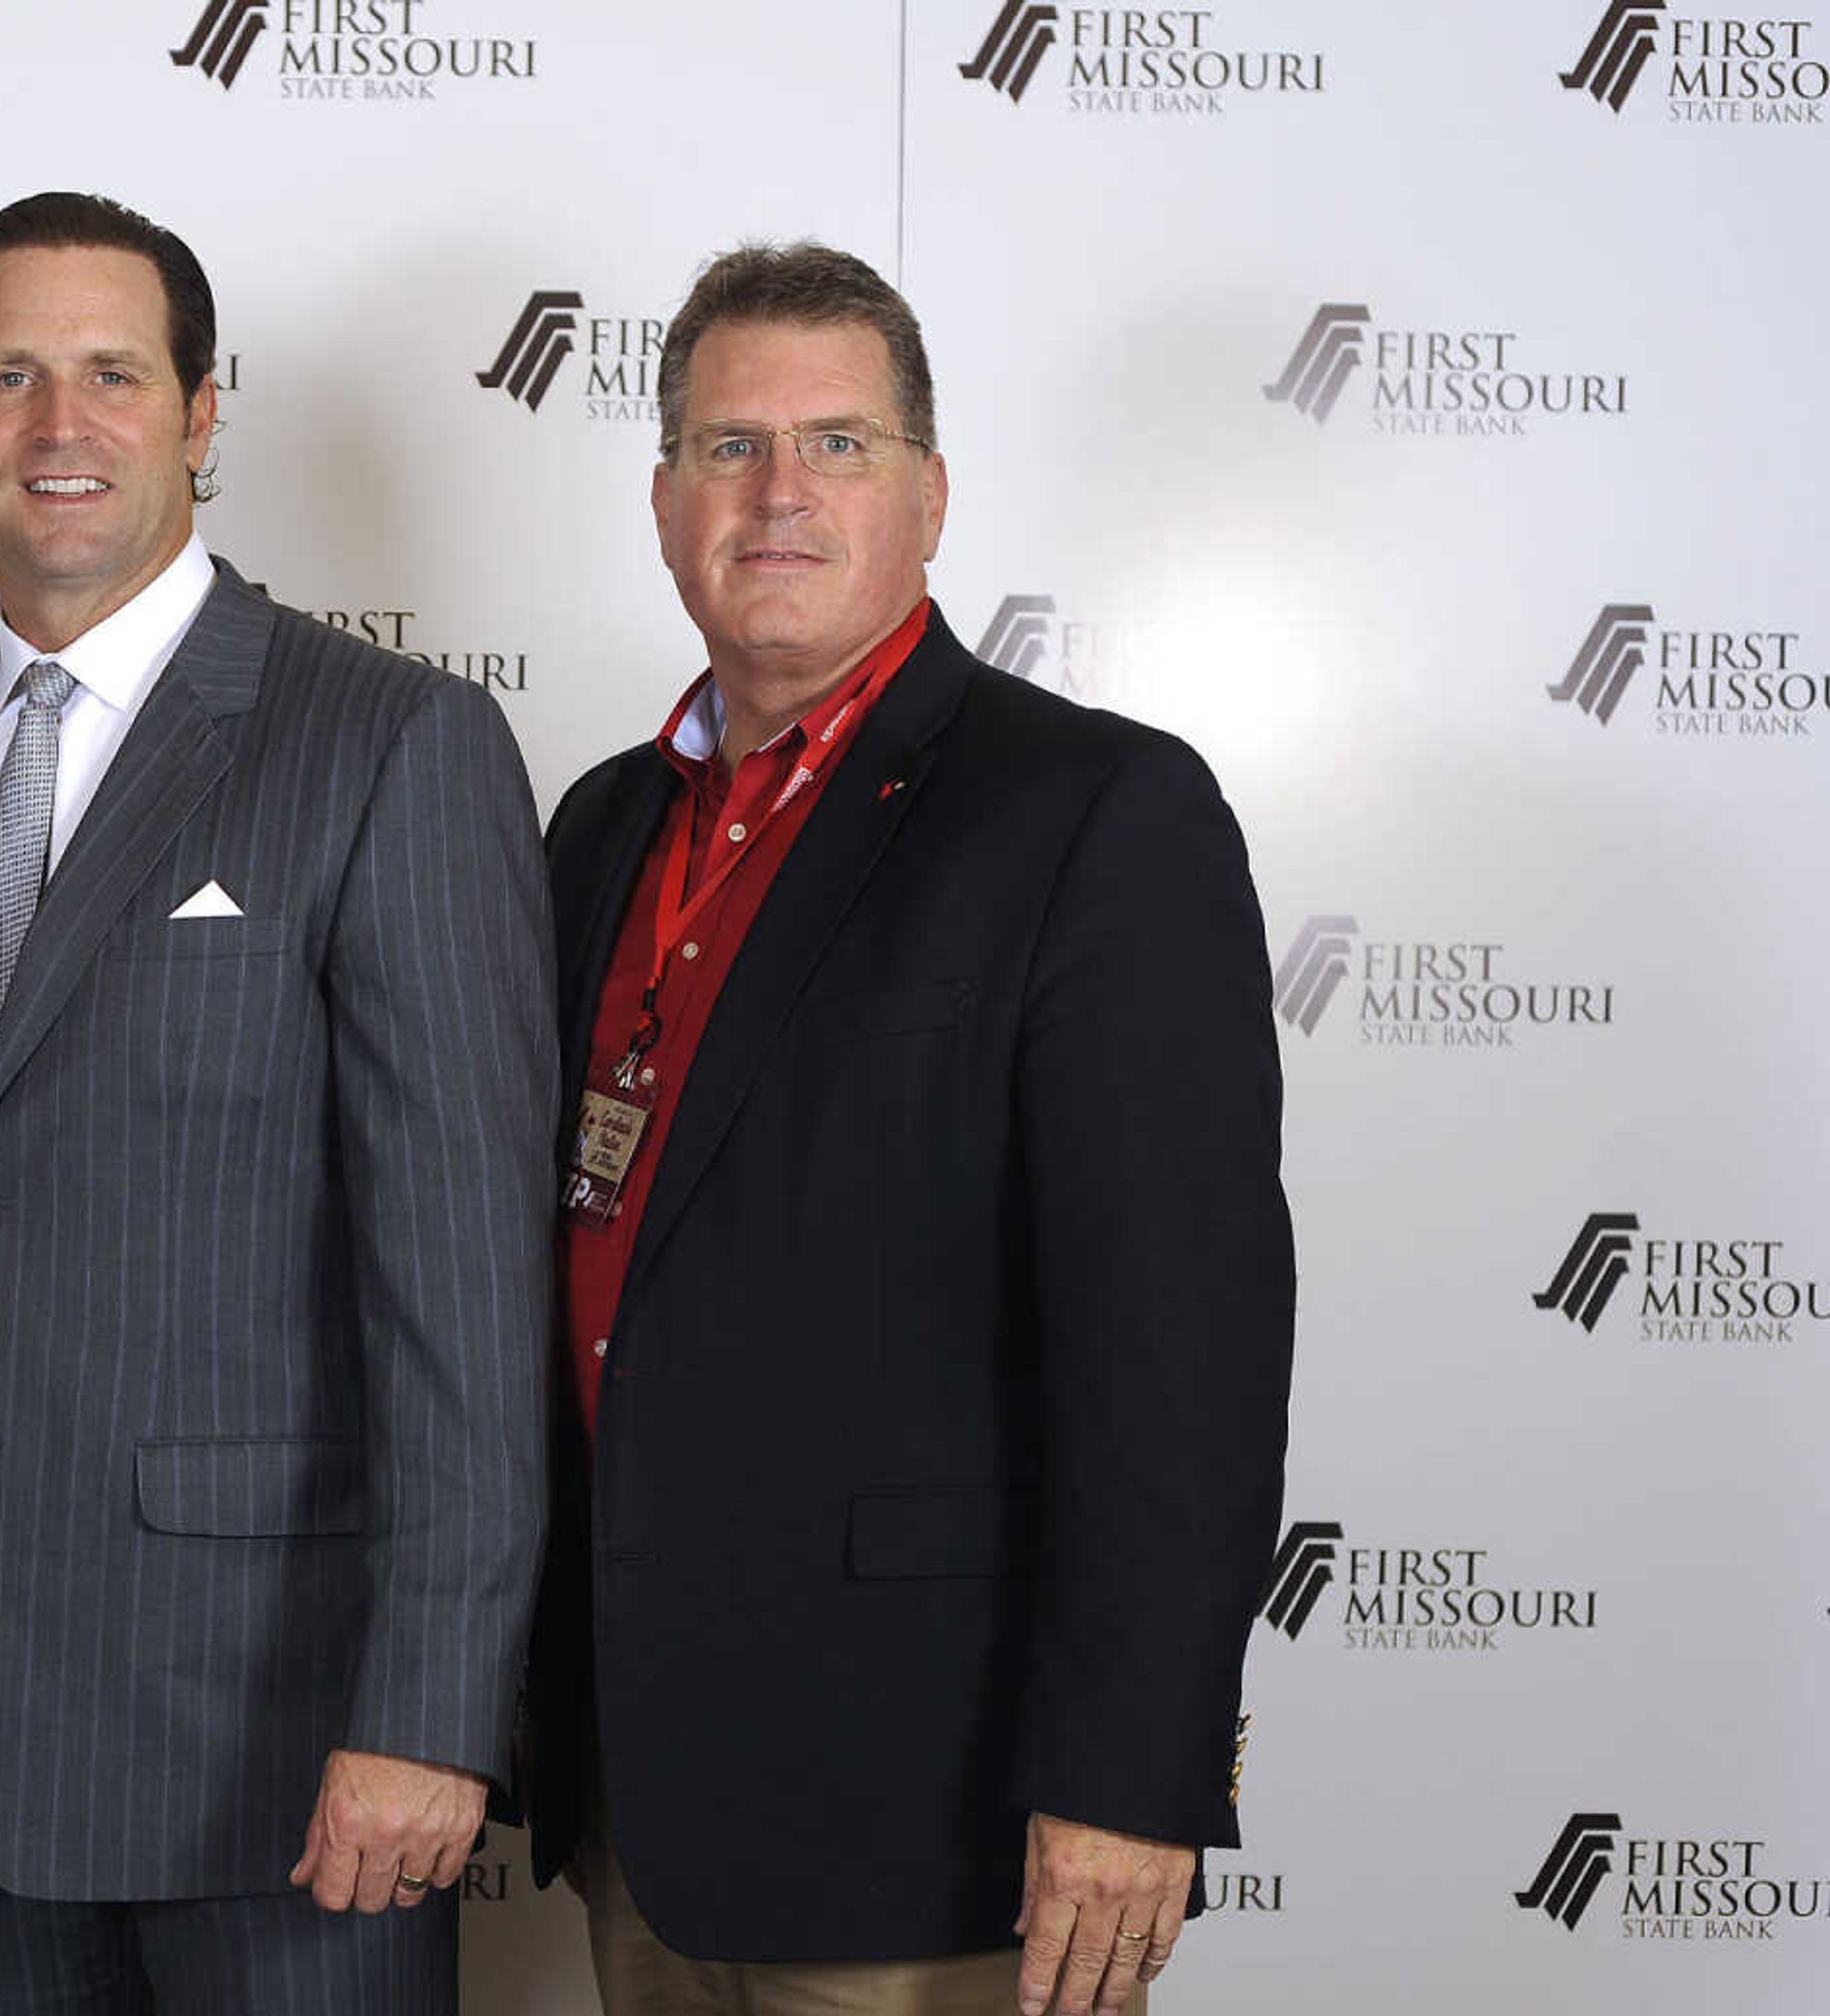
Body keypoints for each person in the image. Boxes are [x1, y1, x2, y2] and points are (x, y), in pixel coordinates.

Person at [0, 190, 554, 2014]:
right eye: (9, 377)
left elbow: (463, 1279)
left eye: (115, 375)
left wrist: (432, 1712)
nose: (61, 426)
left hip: (288, 1772)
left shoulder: (388, 742)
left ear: (205, 414)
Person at [521, 244, 1295, 2016]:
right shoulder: (600, 826)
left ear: (931, 494)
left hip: (931, 1809)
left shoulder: (1098, 811)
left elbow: (1183, 1349)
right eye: (728, 447)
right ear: (663, 499)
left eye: (839, 443)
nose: (779, 491)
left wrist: (1126, 1773)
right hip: (640, 1794)